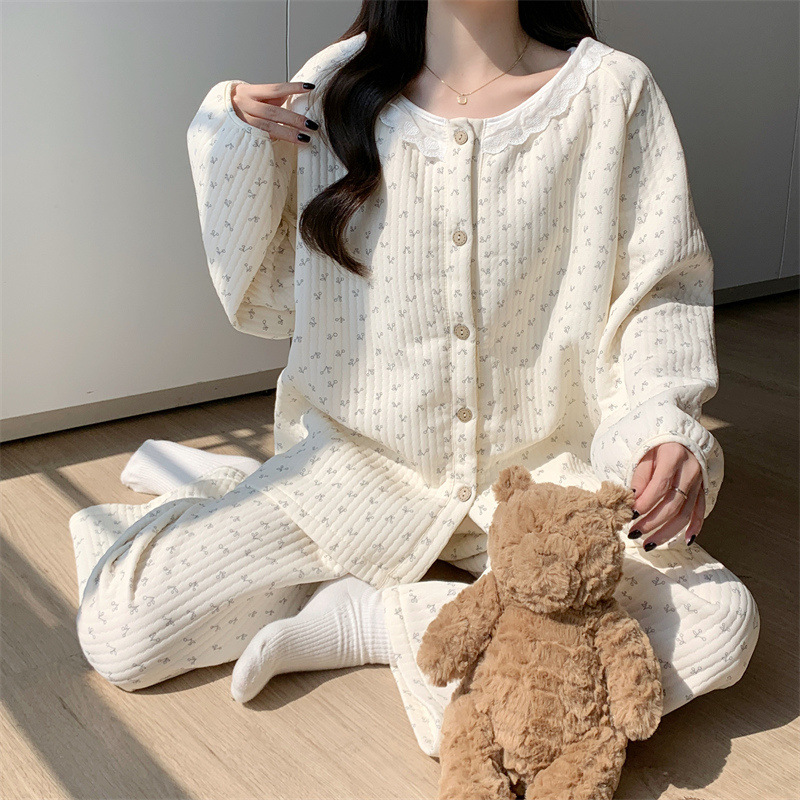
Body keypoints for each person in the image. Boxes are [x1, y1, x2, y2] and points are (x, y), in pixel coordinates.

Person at [69, 0, 760, 759]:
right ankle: (458, 619)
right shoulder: (336, 88)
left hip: (545, 492)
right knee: (122, 631)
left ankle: (366, 619)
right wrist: (231, 134)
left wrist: (662, 426)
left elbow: (659, 291)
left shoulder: (612, 92)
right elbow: (267, 298)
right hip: (355, 472)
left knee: (718, 627)